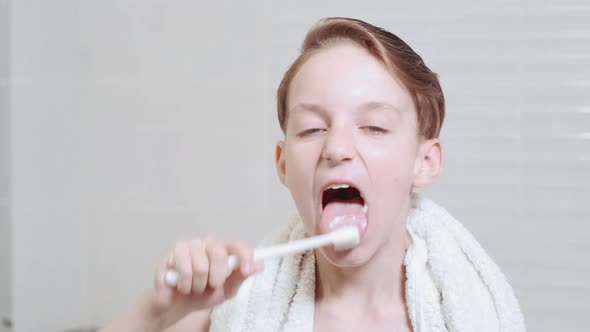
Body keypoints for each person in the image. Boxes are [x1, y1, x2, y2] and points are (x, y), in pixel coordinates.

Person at [101, 17, 525, 332]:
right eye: (312, 129)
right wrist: (158, 311)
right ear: (284, 163)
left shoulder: (472, 314)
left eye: (374, 127)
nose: (337, 148)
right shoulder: (234, 313)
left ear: (425, 162)